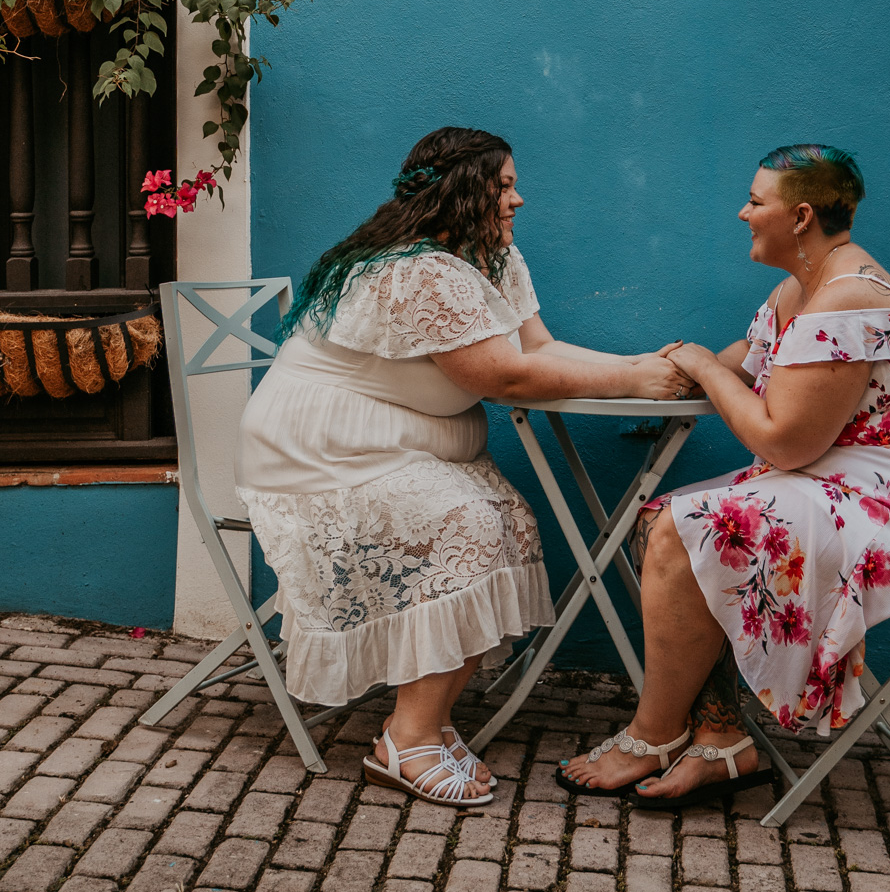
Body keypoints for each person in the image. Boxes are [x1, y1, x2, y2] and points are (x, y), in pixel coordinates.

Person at [236, 125, 685, 807]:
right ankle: (405, 742)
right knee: (468, 523)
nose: (519, 199)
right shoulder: (417, 270)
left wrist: (640, 369)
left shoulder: (491, 259)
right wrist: (636, 381)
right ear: (467, 191)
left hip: (398, 450)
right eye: (505, 185)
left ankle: (430, 721)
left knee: (508, 519)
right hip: (321, 452)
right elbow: (504, 376)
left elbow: (541, 346)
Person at [560, 143, 890, 810]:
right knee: (664, 519)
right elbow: (743, 368)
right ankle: (723, 740)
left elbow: (783, 442)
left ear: (802, 215)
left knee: (688, 526)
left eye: (757, 201)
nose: (742, 212)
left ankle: (654, 733)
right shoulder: (804, 283)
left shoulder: (847, 297)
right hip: (841, 483)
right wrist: (661, 371)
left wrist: (701, 366)